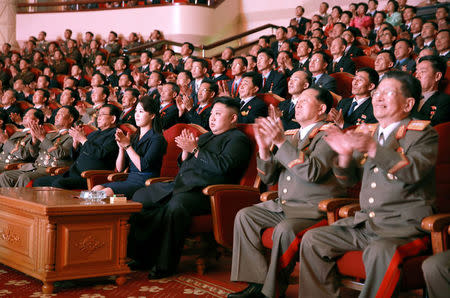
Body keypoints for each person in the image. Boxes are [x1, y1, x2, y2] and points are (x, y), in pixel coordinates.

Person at [299, 71, 438, 297]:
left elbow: (413, 172)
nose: (378, 97)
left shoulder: (422, 134)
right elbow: (349, 180)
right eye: (377, 92)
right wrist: (343, 157)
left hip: (402, 227)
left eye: (388, 93)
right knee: (314, 239)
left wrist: (374, 149)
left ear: (408, 103)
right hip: (366, 224)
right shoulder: (368, 132)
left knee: (379, 250)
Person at [228, 86, 345, 298]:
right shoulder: (291, 135)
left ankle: (270, 291)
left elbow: (312, 172)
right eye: (298, 100)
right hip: (284, 205)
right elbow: (268, 178)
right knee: (245, 216)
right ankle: (257, 282)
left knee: (284, 229)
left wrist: (280, 142)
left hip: (312, 210)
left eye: (305, 100)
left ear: (322, 108)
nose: (298, 103)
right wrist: (264, 148)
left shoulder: (329, 134)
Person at [128, 96, 252, 278]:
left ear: (233, 118)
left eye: (218, 114)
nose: (212, 118)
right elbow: (186, 165)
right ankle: (142, 257)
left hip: (207, 192)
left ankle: (165, 265)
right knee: (141, 197)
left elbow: (223, 167)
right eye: (211, 114)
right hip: (181, 185)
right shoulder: (207, 136)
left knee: (175, 207)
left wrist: (195, 150)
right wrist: (186, 153)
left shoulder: (237, 139)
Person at [92, 96, 167, 199]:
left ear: (152, 115)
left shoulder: (157, 139)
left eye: (141, 111)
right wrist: (121, 149)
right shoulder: (134, 137)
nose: (136, 115)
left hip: (145, 183)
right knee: (95, 189)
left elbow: (143, 166)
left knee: (103, 194)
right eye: (136, 111)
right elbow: (120, 168)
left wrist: (127, 146)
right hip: (130, 180)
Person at [33, 104, 120, 189]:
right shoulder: (95, 133)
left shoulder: (115, 135)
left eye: (102, 114)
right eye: (98, 114)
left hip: (91, 176)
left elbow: (101, 154)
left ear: (113, 119)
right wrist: (75, 144)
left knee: (59, 184)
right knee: (39, 181)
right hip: (74, 172)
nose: (99, 117)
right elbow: (75, 157)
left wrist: (83, 139)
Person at [0, 106, 78, 187]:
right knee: (5, 176)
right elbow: (33, 154)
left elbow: (60, 154)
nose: (56, 116)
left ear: (70, 119)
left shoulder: (73, 136)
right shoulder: (50, 134)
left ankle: (19, 199)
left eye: (60, 114)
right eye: (56, 114)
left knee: (25, 177)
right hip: (36, 168)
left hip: (51, 170)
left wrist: (42, 138)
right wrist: (34, 140)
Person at [413, 55, 450, 126]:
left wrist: (408, 109)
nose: (417, 76)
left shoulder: (445, 101)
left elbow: (432, 127)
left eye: (422, 71)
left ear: (437, 76)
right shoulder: (408, 95)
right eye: (417, 71)